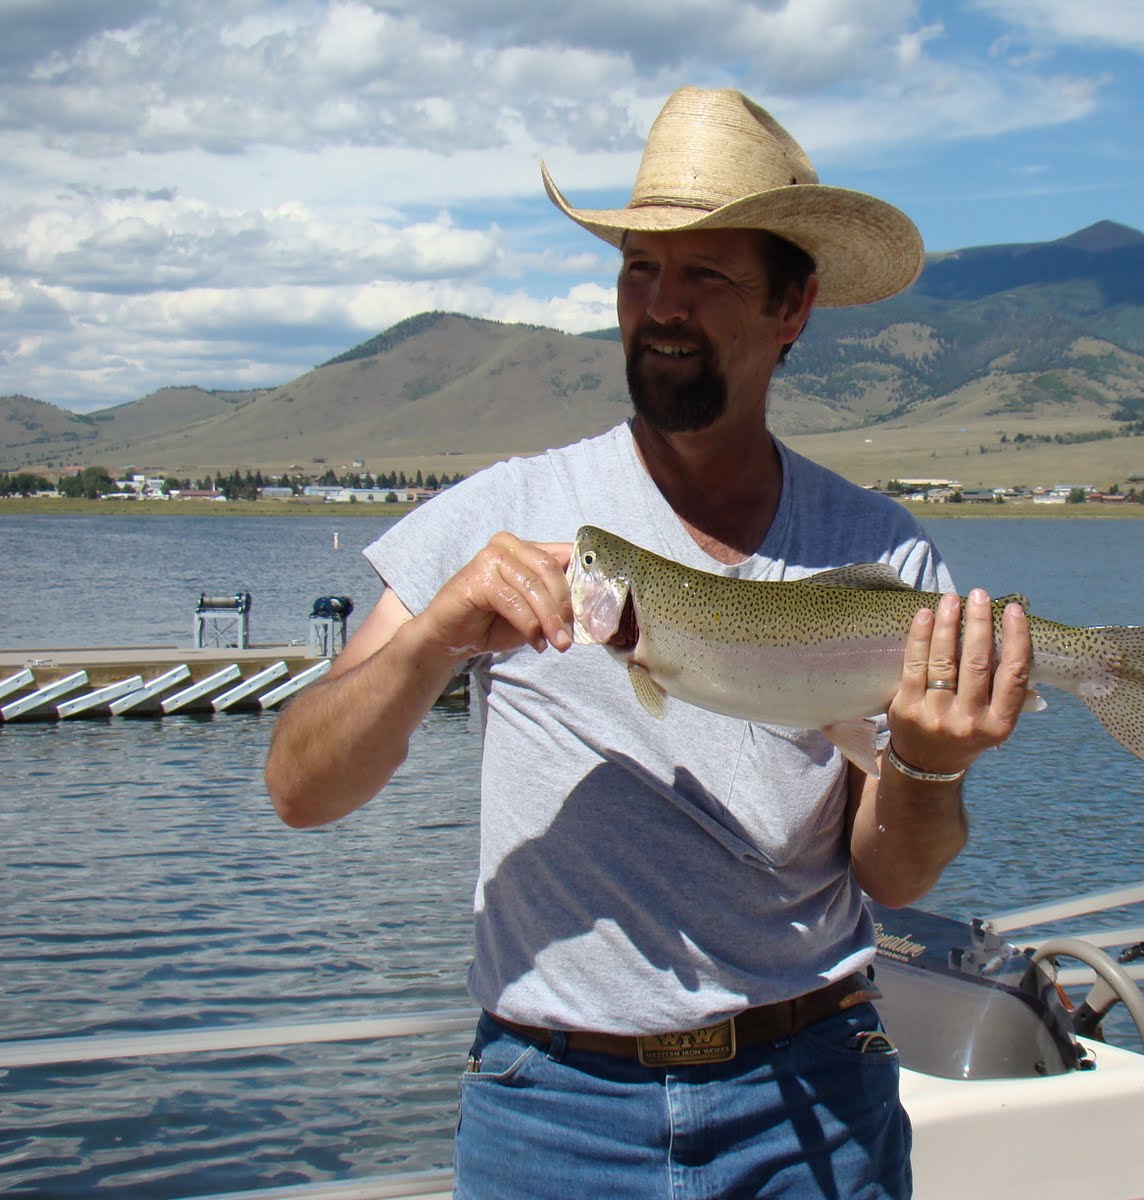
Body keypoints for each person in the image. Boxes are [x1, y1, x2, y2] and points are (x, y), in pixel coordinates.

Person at [265, 86, 1031, 1199]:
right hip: (552, 1116)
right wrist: (434, 638)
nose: (659, 305)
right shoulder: (510, 515)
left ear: (793, 307)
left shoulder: (883, 559)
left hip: (812, 1097)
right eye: (638, 268)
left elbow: (892, 869)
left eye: (705, 275)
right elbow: (298, 787)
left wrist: (928, 759)